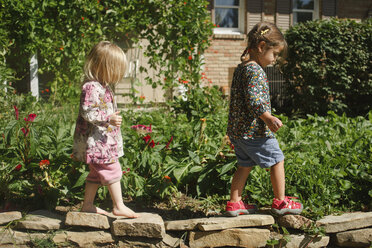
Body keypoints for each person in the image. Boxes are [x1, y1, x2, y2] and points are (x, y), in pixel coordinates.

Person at [225, 22, 303, 216]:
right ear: (260, 47)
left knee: (245, 165)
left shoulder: (242, 68)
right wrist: (268, 118)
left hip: (238, 131)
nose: (275, 59)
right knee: (277, 159)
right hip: (254, 132)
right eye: (274, 54)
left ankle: (234, 203)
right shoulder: (255, 71)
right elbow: (254, 100)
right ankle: (280, 202)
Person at [72, 41, 139, 218]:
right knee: (113, 169)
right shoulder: (91, 87)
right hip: (97, 142)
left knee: (95, 173)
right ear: (102, 66)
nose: (118, 74)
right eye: (115, 69)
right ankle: (118, 205)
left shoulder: (102, 86)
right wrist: (108, 118)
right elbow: (88, 111)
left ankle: (87, 205)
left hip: (103, 141)